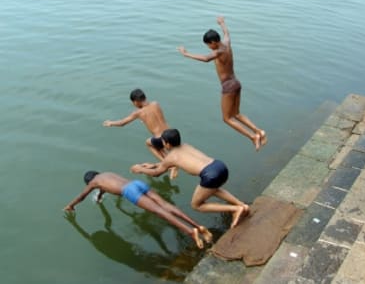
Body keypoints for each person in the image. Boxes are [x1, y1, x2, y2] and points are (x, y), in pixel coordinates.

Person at [177, 16, 267, 151]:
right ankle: (259, 131)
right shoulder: (227, 43)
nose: (209, 48)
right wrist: (222, 23)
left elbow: (206, 58)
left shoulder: (218, 51)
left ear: (213, 42)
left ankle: (253, 137)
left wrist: (186, 54)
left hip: (229, 86)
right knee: (236, 114)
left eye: (209, 45)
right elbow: (227, 33)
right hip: (236, 83)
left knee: (227, 118)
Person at [130, 129, 249, 229]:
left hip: (210, 175)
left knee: (196, 205)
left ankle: (235, 209)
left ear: (167, 144)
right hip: (220, 166)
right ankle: (242, 205)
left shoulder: (172, 156)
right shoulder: (186, 146)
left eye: (162, 141)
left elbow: (157, 173)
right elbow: (179, 162)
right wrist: (153, 165)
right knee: (213, 190)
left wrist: (140, 169)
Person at [63, 171, 212, 249]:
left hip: (130, 191)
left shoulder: (93, 183)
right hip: (136, 183)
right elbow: (105, 187)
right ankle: (198, 226)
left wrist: (71, 205)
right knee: (166, 205)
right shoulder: (106, 175)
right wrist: (100, 196)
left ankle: (190, 232)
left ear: (90, 181)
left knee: (160, 212)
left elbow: (82, 196)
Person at [103, 88, 178, 178]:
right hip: (170, 134)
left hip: (159, 138)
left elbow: (122, 123)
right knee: (158, 147)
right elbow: (153, 116)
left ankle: (169, 165)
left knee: (148, 143)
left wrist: (111, 123)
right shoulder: (156, 104)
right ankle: (169, 163)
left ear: (135, 102)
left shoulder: (139, 112)